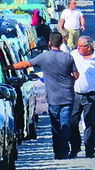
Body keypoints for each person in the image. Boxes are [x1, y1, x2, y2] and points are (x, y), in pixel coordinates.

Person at [11, 32, 78, 160]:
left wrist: (8, 67)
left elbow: (26, 64)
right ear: (61, 42)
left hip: (53, 97)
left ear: (49, 43)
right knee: (65, 123)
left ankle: (58, 152)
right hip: (67, 96)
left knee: (55, 125)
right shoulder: (68, 57)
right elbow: (76, 75)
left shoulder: (44, 57)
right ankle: (64, 149)